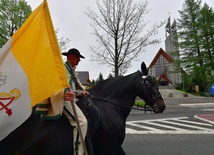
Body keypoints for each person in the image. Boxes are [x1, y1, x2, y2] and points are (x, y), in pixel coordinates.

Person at [62, 48, 89, 155]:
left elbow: (73, 90)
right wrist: (62, 94)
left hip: (72, 98)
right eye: (77, 58)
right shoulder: (62, 69)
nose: (79, 60)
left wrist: (82, 93)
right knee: (81, 122)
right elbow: (54, 86)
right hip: (64, 101)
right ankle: (78, 152)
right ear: (70, 57)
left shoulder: (72, 71)